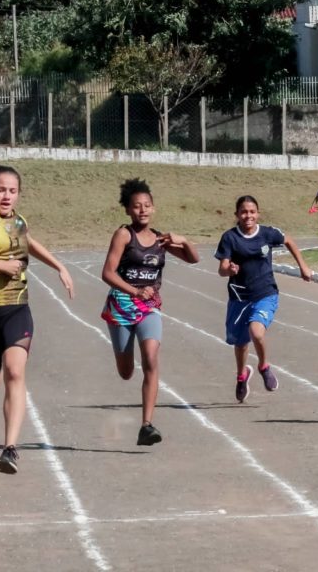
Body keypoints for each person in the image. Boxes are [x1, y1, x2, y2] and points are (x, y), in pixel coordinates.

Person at [0, 158, 74, 474]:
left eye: (13, 191)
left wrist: (59, 266)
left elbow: (29, 244)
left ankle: (10, 449)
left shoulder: (18, 221)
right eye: (1, 190)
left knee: (15, 372)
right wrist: (1, 265)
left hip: (16, 309)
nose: (7, 196)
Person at [100, 178, 200, 446]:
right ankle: (123, 355)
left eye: (146, 205)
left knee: (152, 359)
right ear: (128, 210)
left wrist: (184, 240)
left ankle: (147, 425)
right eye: (136, 206)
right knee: (126, 371)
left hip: (149, 308)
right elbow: (107, 273)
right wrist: (134, 291)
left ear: (153, 208)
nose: (142, 210)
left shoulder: (161, 240)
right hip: (121, 305)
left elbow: (194, 258)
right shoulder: (123, 235)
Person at [216, 196, 312, 403]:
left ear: (258, 213)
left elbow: (289, 240)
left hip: (265, 293)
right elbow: (222, 269)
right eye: (243, 212)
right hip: (239, 297)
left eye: (252, 212)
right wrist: (229, 269)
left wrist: (302, 266)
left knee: (256, 332)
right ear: (236, 215)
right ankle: (242, 376)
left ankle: (264, 366)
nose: (248, 216)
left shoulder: (268, 233)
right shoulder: (230, 238)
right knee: (240, 344)